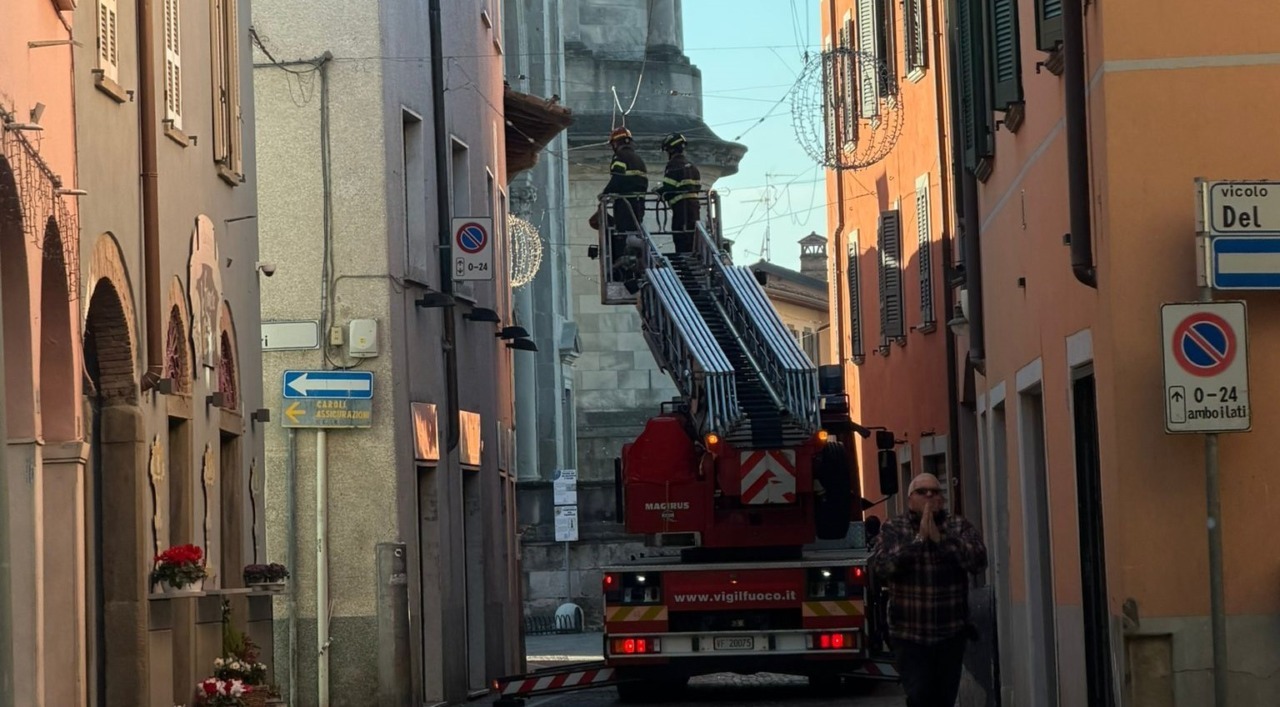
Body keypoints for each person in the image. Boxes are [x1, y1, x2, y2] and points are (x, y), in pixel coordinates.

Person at [868, 473, 987, 707]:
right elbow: (882, 567)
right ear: (910, 498)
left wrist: (941, 540)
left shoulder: (958, 526)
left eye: (935, 491)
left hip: (950, 632)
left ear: (942, 499)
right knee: (919, 695)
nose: (930, 496)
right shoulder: (894, 527)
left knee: (944, 698)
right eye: (922, 492)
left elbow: (977, 561)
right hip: (909, 633)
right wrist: (919, 540)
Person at [599, 126, 648, 271]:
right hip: (639, 202)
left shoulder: (620, 157)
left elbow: (618, 178)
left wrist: (605, 193)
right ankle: (638, 252)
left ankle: (624, 259)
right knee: (634, 228)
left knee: (624, 233)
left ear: (615, 143)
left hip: (625, 203)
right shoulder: (638, 159)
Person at [654, 132, 702, 253]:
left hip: (682, 209)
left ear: (671, 149)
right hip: (694, 207)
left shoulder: (674, 164)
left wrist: (658, 192)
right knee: (693, 237)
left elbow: (669, 187)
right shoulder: (693, 167)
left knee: (680, 237)